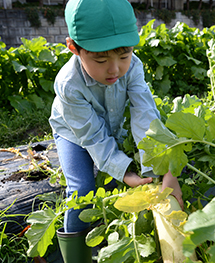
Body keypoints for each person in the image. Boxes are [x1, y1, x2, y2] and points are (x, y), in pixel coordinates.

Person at [49, 0, 182, 261]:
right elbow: (92, 136)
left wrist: (161, 169)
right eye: (100, 59)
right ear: (74, 48)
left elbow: (145, 116)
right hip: (73, 133)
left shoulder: (133, 67)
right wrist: (124, 171)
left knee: (119, 179)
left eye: (124, 56)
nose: (114, 69)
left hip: (113, 125)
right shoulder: (68, 85)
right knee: (81, 190)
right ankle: (75, 257)